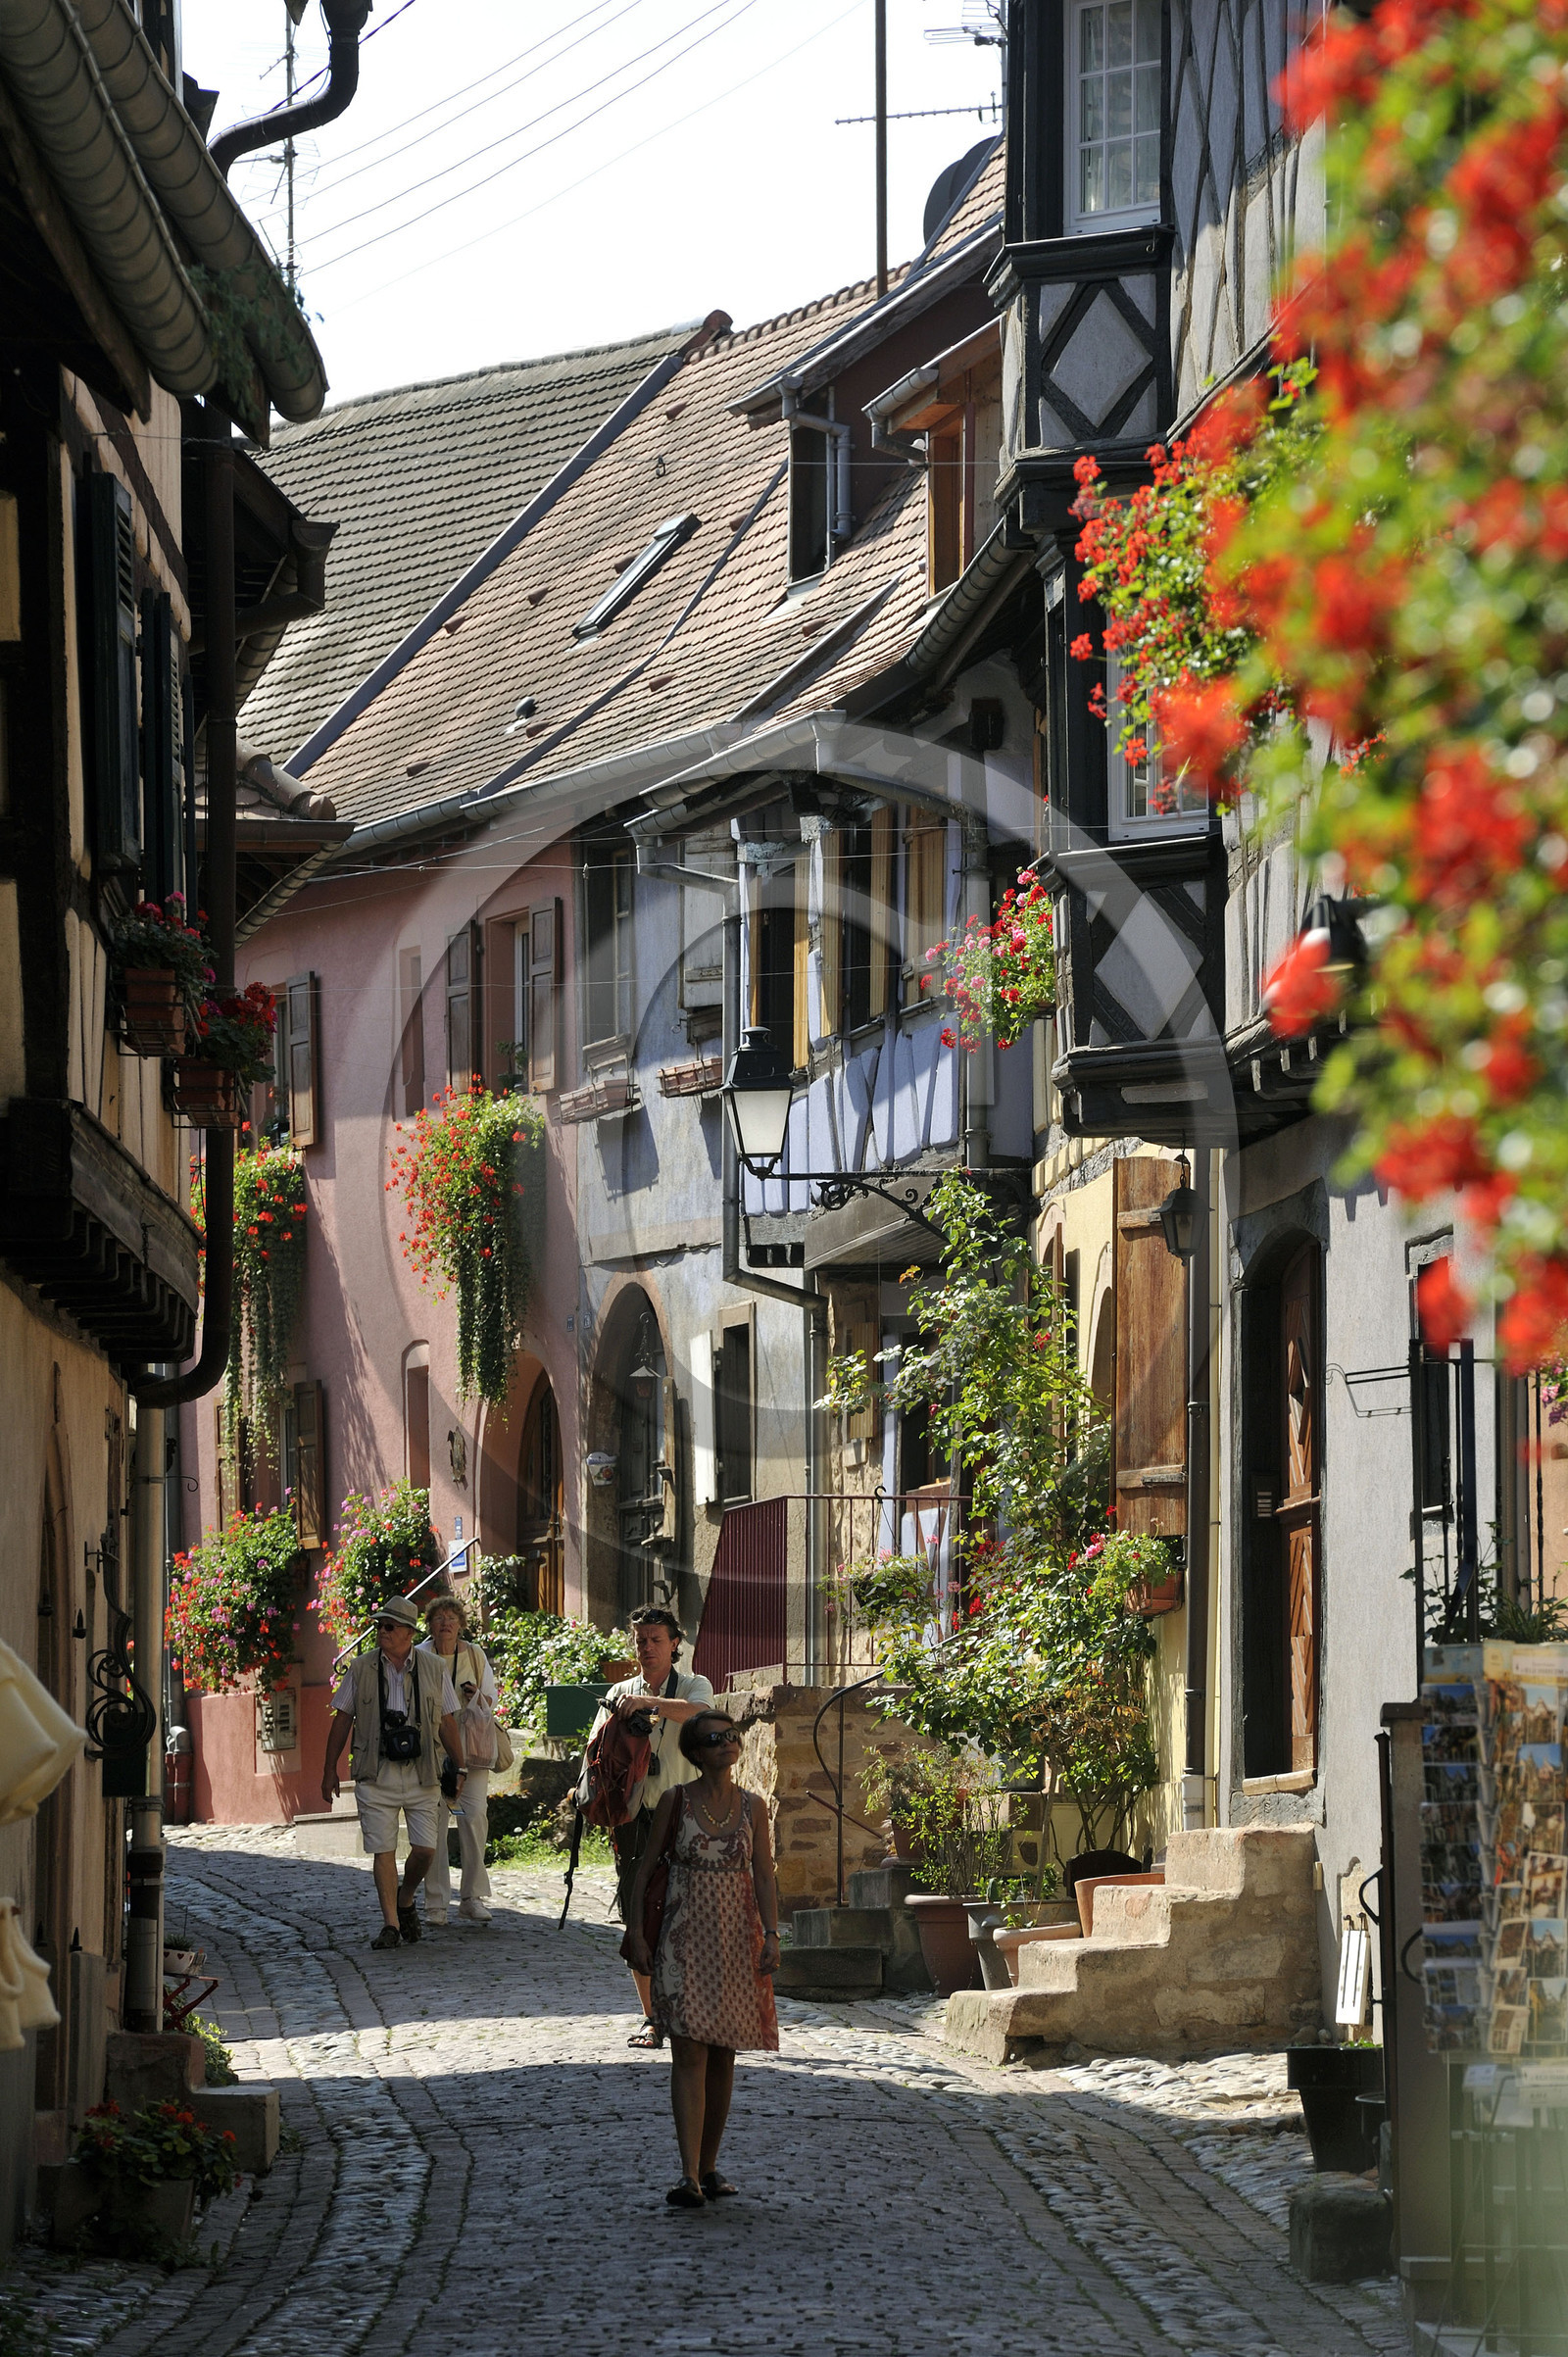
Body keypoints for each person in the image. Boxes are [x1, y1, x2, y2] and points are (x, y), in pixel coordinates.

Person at [625, 1709, 779, 2208]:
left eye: (731, 1736)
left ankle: (710, 2167)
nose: (726, 1744)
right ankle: (688, 2174)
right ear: (695, 1752)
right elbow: (645, 1869)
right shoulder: (676, 1800)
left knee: (724, 2051)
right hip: (683, 1937)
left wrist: (773, 1935)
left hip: (736, 1939)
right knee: (689, 2049)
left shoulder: (754, 1806)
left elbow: (764, 1876)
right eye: (714, 1739)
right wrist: (636, 1933)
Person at [588, 1605, 712, 2046]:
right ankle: (652, 2018)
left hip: (684, 1815)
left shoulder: (694, 1685)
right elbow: (598, 1752)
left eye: (655, 1639)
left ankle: (691, 2009)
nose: (646, 1648)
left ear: (675, 1643)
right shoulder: (619, 1691)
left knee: (691, 1913)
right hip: (635, 1817)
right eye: (640, 1640)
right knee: (637, 1914)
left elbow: (699, 1714)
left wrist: (650, 1704)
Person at [321, 1596, 466, 1950]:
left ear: (408, 1633)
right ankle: (390, 1924)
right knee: (382, 1849)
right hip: (376, 1769)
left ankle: (406, 1898)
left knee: (426, 1850)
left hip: (423, 1771)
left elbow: (447, 1721)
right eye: (379, 1626)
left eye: (388, 1626)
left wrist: (460, 1766)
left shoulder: (434, 1668)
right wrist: (329, 1770)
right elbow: (342, 1719)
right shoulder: (361, 1668)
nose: (381, 1632)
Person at [419, 1594, 497, 1926]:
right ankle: (436, 1902)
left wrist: (474, 1695)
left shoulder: (475, 1655)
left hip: (471, 1750)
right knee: (433, 1823)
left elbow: (491, 1698)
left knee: (473, 1816)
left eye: (452, 1618)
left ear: (461, 1624)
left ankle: (472, 1896)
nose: (446, 1623)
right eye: (439, 1618)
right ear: (430, 1625)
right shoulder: (420, 1655)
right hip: (432, 1752)